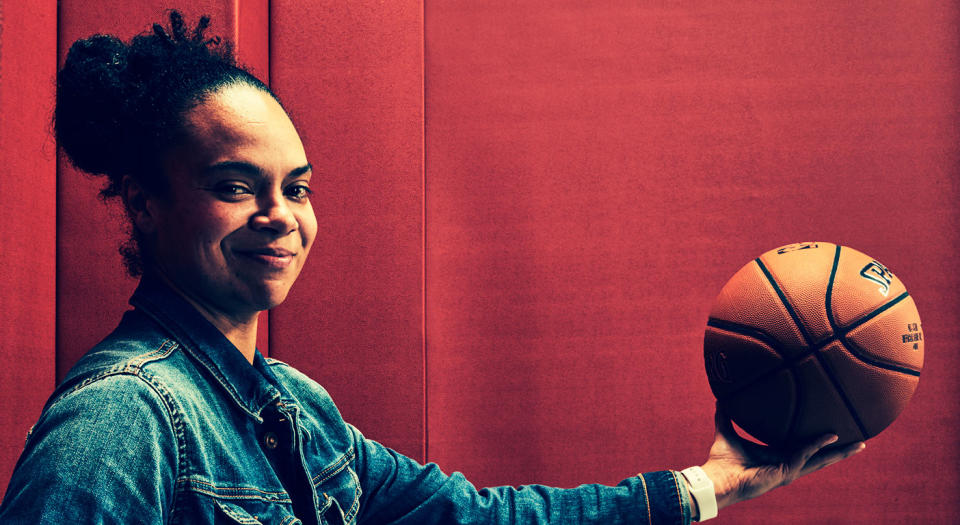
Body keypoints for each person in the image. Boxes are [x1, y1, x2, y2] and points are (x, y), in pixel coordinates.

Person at [0, 11, 864, 524]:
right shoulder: (120, 419)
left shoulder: (295, 410)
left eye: (296, 187)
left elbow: (477, 518)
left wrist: (713, 484)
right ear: (147, 204)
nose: (281, 217)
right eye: (235, 186)